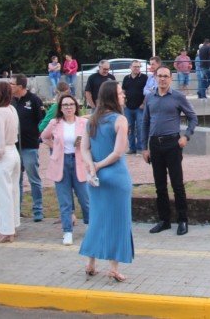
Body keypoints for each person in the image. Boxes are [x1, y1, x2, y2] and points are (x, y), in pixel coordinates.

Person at [80, 81, 133, 281]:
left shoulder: (91, 120)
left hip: (95, 179)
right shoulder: (120, 120)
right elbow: (118, 152)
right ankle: (114, 267)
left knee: (97, 220)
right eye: (120, 93)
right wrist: (100, 165)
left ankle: (90, 262)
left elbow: (84, 148)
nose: (123, 95)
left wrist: (92, 166)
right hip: (116, 177)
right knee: (119, 222)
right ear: (113, 96)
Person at [141, 66, 198, 236]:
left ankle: (182, 220)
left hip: (173, 144)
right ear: (155, 77)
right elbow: (144, 123)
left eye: (166, 76)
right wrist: (144, 148)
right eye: (160, 76)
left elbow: (193, 117)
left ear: (171, 79)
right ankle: (164, 220)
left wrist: (186, 136)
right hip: (155, 145)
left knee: (177, 184)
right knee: (159, 185)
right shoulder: (150, 98)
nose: (163, 79)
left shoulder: (178, 97)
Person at [41, 94, 90, 246]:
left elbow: (90, 140)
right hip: (61, 163)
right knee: (65, 201)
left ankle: (90, 227)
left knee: (85, 199)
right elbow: (44, 137)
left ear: (76, 106)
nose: (68, 107)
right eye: (65, 105)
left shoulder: (83, 123)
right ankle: (67, 231)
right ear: (60, 108)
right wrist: (55, 148)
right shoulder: (55, 123)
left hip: (79, 162)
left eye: (71, 104)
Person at [0, 81, 21, 243]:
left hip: (4, 154)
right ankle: (13, 225)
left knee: (3, 194)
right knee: (13, 190)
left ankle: (6, 230)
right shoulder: (12, 109)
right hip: (14, 152)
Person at [10, 73, 45, 222]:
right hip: (13, 146)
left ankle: (38, 209)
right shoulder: (10, 101)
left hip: (30, 145)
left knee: (34, 179)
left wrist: (38, 137)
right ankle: (16, 209)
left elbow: (42, 121)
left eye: (12, 84)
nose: (10, 86)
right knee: (16, 179)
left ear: (20, 86)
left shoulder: (34, 100)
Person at [121, 60, 148, 154]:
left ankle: (140, 148)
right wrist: (123, 103)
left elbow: (147, 92)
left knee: (140, 128)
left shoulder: (144, 77)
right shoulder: (126, 78)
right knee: (129, 128)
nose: (137, 68)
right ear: (130, 67)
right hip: (128, 108)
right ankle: (132, 148)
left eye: (138, 67)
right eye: (135, 66)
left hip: (140, 108)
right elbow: (123, 91)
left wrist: (143, 103)